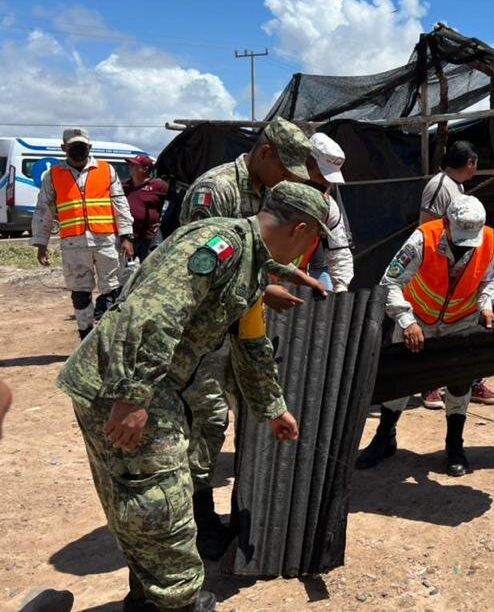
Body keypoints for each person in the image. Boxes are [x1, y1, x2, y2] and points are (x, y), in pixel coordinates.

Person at [55, 181, 328, 612]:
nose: (310, 250)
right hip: (125, 386)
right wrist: (133, 395)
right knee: (161, 503)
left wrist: (272, 407)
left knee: (144, 500)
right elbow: (156, 310)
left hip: (139, 386)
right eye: (315, 238)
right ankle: (176, 603)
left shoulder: (251, 265)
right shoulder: (219, 246)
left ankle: (148, 599)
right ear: (301, 229)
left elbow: (252, 345)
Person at [178, 117, 316, 556]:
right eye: (287, 167)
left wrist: (291, 274)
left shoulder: (266, 193)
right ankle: (199, 522)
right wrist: (266, 287)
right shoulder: (214, 190)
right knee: (208, 421)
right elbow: (197, 268)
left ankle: (243, 506)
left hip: (241, 322)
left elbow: (256, 249)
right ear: (265, 152)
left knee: (252, 412)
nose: (289, 178)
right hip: (205, 332)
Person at [356, 194, 494, 476]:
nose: (461, 244)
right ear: (445, 223)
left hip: (460, 323)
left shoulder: (488, 240)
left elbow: (488, 281)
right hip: (418, 320)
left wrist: (486, 307)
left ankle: (454, 445)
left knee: (459, 383)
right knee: (401, 379)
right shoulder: (423, 238)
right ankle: (385, 437)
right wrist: (407, 321)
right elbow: (390, 282)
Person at [418, 140, 494, 409]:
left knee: (467, 329)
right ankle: (430, 383)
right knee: (433, 330)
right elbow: (426, 227)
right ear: (470, 163)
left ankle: (471, 381)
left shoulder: (457, 187)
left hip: (463, 269)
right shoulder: (440, 185)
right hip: (441, 271)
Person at [32, 128, 134, 339]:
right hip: (73, 245)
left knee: (112, 290)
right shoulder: (53, 175)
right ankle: (85, 335)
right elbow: (44, 209)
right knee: (80, 293)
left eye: (82, 146)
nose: (79, 150)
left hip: (106, 242)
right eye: (73, 146)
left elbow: (120, 203)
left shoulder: (106, 170)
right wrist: (41, 243)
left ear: (90, 148)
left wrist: (126, 235)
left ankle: (110, 337)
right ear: (64, 148)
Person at [304, 132, 355, 292]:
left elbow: (340, 251)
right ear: (306, 162)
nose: (326, 183)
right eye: (321, 175)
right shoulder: (275, 192)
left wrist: (341, 289)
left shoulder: (329, 207)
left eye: (330, 178)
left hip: (307, 270)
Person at [122, 154, 169, 263]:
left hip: (149, 237)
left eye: (134, 165)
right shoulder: (124, 186)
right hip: (128, 236)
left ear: (145, 169)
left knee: (150, 268)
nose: (131, 167)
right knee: (125, 270)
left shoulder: (159, 186)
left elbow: (173, 204)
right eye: (131, 165)